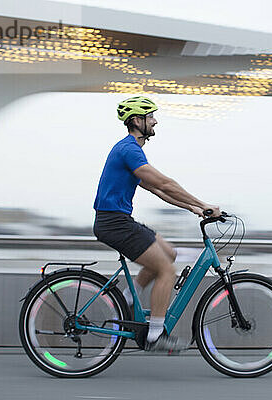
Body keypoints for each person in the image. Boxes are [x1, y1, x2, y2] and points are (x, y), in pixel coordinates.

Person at [93, 96, 221, 353]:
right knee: (167, 270)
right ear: (137, 121)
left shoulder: (132, 150)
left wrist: (193, 208)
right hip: (114, 223)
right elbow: (165, 183)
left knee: (169, 253)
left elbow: (155, 189)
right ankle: (154, 335)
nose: (155, 120)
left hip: (119, 220)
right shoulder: (129, 150)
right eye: (150, 116)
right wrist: (204, 203)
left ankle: (128, 299)